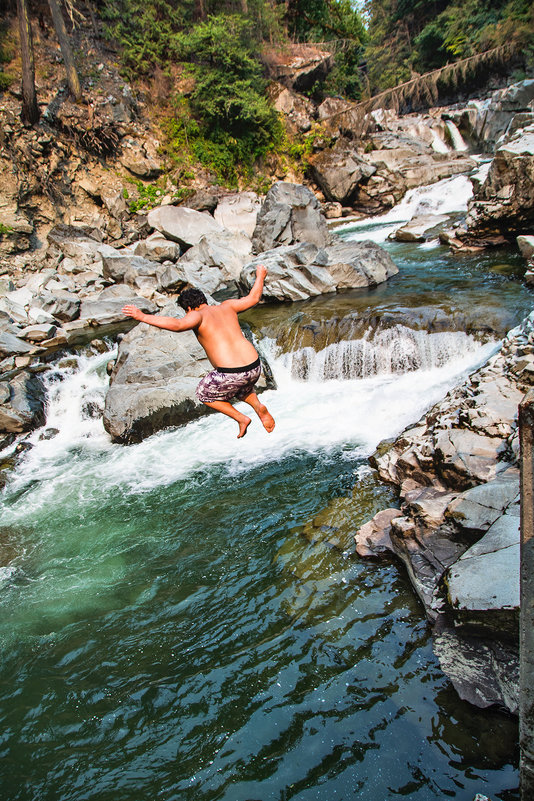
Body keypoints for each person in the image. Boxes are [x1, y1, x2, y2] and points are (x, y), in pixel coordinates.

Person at [121, 265, 275, 439]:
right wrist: (260, 275)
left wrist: (142, 316)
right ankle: (258, 407)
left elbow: (177, 325)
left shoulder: (197, 315)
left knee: (204, 393)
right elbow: (254, 298)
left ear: (188, 308)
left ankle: (241, 418)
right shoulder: (228, 306)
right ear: (204, 300)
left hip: (232, 373)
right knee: (240, 387)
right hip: (254, 367)